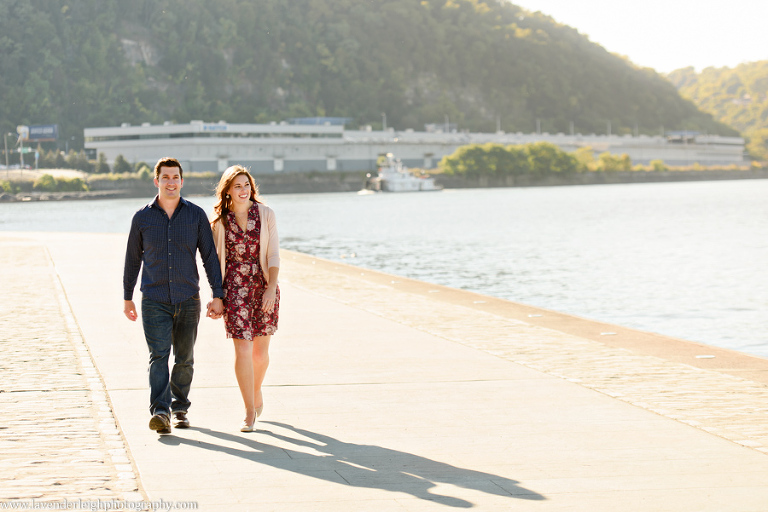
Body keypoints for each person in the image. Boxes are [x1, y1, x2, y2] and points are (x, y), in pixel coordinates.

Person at [123, 157, 224, 434]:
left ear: (182, 181)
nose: (170, 182)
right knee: (158, 356)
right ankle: (160, 411)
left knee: (184, 358)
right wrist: (127, 296)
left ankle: (180, 408)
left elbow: (210, 258)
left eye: (175, 177)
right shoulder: (142, 217)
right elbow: (132, 259)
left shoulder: (195, 215)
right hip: (154, 299)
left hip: (187, 298)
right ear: (156, 181)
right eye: (165, 177)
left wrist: (218, 294)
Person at [210, 165, 280, 432]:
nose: (243, 190)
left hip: (263, 286)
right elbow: (215, 264)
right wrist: (217, 297)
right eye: (237, 186)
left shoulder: (266, 214)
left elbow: (273, 254)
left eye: (246, 185)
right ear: (227, 189)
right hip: (235, 290)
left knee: (260, 355)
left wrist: (271, 287)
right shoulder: (219, 222)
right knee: (243, 350)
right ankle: (249, 410)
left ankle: (256, 390)